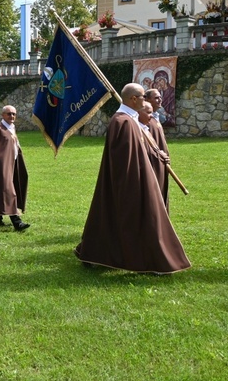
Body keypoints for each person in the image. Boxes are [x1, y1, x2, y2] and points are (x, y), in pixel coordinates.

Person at [74, 83, 190, 274]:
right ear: (133, 99)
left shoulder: (131, 120)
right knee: (130, 219)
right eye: (144, 96)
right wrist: (135, 185)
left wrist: (156, 154)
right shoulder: (123, 122)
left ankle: (95, 253)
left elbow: (141, 148)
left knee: (113, 220)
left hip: (140, 179)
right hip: (132, 182)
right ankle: (152, 262)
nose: (146, 100)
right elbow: (124, 160)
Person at [0, 105, 30, 231]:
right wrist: (0, 166)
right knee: (8, 190)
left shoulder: (12, 128)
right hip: (1, 165)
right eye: (9, 114)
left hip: (13, 162)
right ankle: (17, 221)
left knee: (4, 189)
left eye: (13, 114)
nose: (12, 116)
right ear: (3, 115)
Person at [139, 100, 170, 209]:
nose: (151, 116)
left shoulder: (146, 127)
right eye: (148, 113)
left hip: (159, 167)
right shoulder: (137, 129)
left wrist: (161, 155)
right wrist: (158, 156)